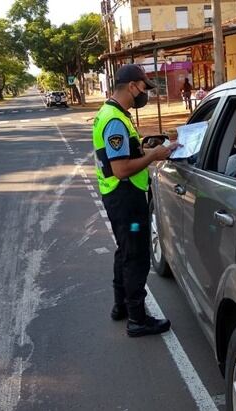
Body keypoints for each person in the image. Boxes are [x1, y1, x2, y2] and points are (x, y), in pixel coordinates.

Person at [92, 64, 178, 338]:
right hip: (125, 198)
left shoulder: (113, 113)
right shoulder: (115, 120)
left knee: (124, 251)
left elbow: (125, 154)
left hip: (118, 196)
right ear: (132, 86)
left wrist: (148, 148)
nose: (145, 93)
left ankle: (121, 307)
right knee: (136, 256)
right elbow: (121, 168)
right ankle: (138, 319)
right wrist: (154, 156)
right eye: (144, 87)